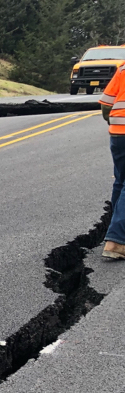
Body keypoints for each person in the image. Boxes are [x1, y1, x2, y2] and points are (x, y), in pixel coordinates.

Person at [99, 63, 125, 259]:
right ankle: (116, 241)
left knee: (121, 181)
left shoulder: (124, 68)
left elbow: (106, 104)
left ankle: (112, 230)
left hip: (118, 134)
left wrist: (112, 120)